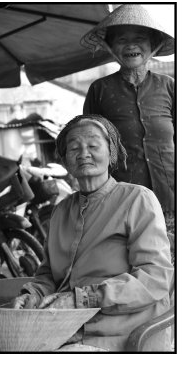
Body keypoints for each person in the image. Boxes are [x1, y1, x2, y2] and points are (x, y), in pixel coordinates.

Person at [13, 114, 173, 352]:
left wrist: (84, 299)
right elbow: (48, 275)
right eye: (74, 147)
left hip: (120, 333)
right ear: (65, 160)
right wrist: (34, 294)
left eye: (93, 145)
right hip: (63, 328)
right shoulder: (61, 211)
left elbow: (155, 277)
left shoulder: (137, 199)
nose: (83, 153)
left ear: (112, 153)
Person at [81, 4, 175, 235]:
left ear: (152, 45)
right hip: (123, 202)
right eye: (122, 39)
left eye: (140, 38)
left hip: (172, 198)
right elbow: (89, 146)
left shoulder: (169, 86)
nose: (131, 45)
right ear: (111, 48)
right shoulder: (100, 89)